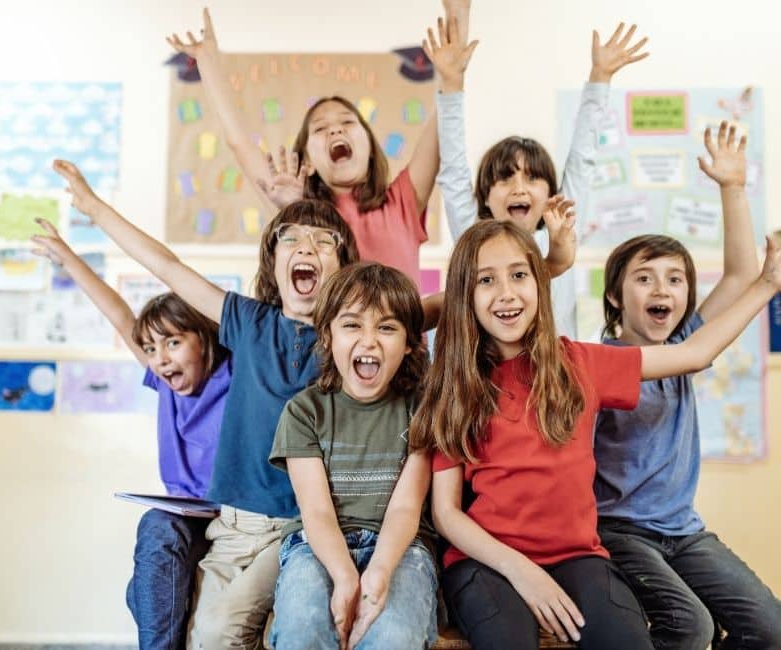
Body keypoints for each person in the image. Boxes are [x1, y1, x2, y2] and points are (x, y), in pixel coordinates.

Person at [408, 218, 781, 650]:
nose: (506, 293)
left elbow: (694, 353)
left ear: (539, 283)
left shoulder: (582, 363)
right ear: (463, 296)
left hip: (578, 557)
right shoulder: (454, 387)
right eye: (485, 280)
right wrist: (523, 572)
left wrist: (767, 285)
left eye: (519, 275)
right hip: (485, 561)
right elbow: (447, 514)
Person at [52, 157, 359, 649]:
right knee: (202, 637)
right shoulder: (247, 322)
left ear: (344, 270)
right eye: (292, 240)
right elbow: (167, 266)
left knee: (233, 631)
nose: (307, 247)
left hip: (299, 527)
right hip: (232, 528)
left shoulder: (349, 337)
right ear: (272, 263)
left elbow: (413, 311)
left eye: (324, 242)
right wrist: (94, 208)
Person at [594, 122, 781, 649]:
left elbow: (739, 275)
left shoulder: (683, 342)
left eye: (675, 279)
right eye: (644, 277)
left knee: (769, 629)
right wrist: (768, 285)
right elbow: (749, 289)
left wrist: (733, 187)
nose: (662, 288)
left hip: (683, 531)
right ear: (615, 297)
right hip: (620, 531)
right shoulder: (604, 361)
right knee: (690, 625)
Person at [31, 219, 230, 649]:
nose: (160, 359)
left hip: (233, 520)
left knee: (141, 590)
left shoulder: (235, 377)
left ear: (204, 338)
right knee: (154, 531)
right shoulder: (165, 381)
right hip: (184, 519)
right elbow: (121, 316)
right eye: (151, 349)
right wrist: (67, 257)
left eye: (173, 343)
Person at [166, 10, 471, 290]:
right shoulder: (298, 207)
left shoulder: (403, 201)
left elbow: (445, 113)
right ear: (307, 162)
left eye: (348, 122)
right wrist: (207, 62)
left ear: (370, 147)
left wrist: (458, 20)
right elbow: (240, 143)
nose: (336, 129)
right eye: (321, 128)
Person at [433, 5, 648, 335]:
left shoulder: (559, 234)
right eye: (505, 178)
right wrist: (451, 83)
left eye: (532, 178)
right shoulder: (472, 236)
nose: (519, 187)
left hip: (556, 367)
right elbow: (453, 169)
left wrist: (600, 78)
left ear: (552, 195)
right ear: (484, 197)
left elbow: (583, 159)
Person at [269, 262, 437, 649]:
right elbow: (316, 512)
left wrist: (378, 572)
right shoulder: (304, 412)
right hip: (315, 546)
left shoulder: (422, 410)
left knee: (394, 637)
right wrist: (345, 576)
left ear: (409, 343)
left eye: (387, 328)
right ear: (328, 336)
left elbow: (405, 508)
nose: (369, 341)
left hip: (401, 548)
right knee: (302, 630)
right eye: (351, 325)